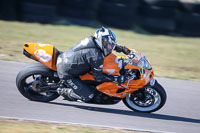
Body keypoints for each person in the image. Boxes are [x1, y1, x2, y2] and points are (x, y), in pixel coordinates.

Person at [56, 27, 131, 102]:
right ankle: (62, 90)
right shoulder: (95, 56)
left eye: (111, 44)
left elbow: (106, 44)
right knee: (88, 96)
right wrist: (117, 79)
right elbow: (98, 77)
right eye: (108, 44)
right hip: (66, 73)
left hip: (67, 59)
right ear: (102, 41)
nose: (110, 47)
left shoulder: (93, 40)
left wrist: (121, 48)